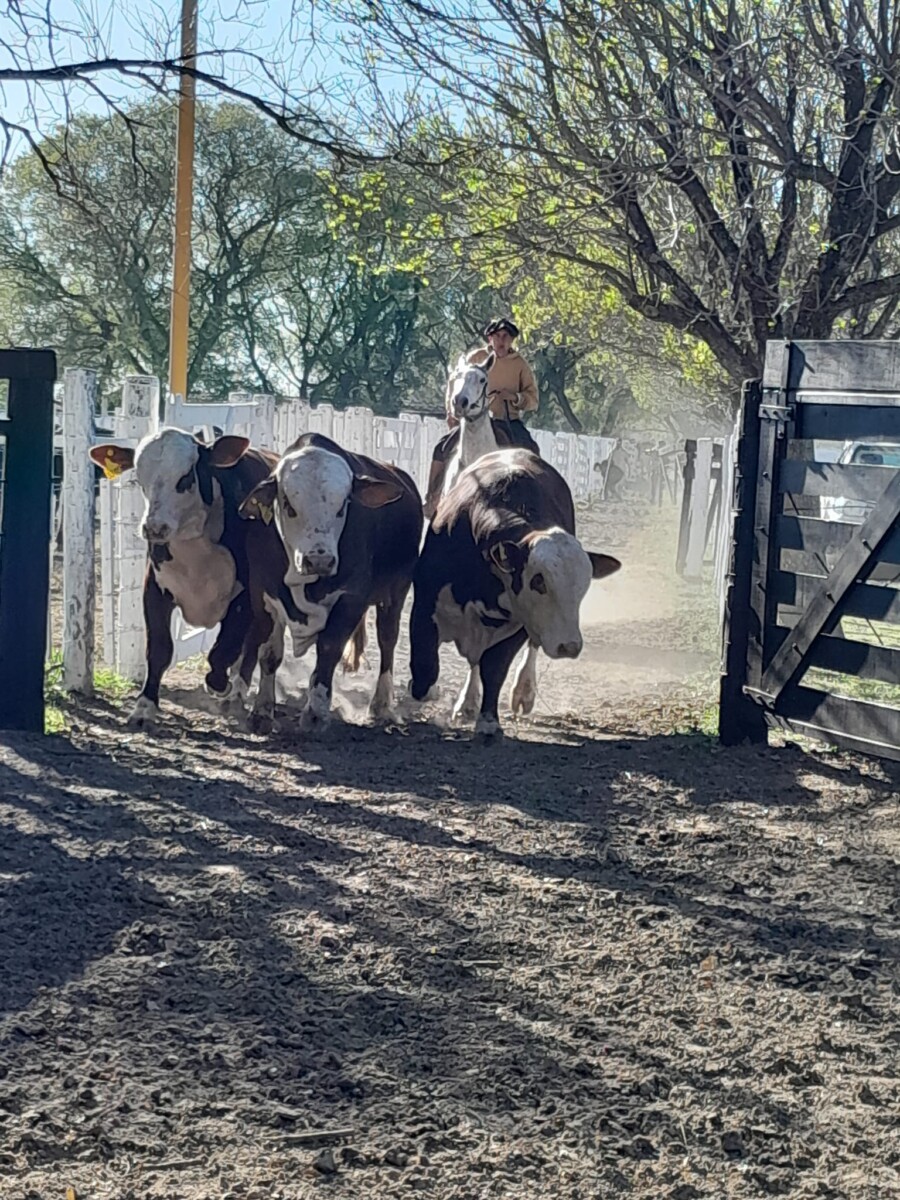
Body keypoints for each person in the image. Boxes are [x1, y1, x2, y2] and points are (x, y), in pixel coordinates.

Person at [424, 317, 540, 516]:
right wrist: (450, 411)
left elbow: (533, 399)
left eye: (506, 337)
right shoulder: (476, 357)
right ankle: (432, 497)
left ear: (512, 340)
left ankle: (531, 504)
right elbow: (455, 383)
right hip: (472, 418)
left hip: (506, 419)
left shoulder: (520, 365)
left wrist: (514, 397)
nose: (501, 341)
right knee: (442, 447)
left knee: (531, 450)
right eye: (497, 336)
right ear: (489, 338)